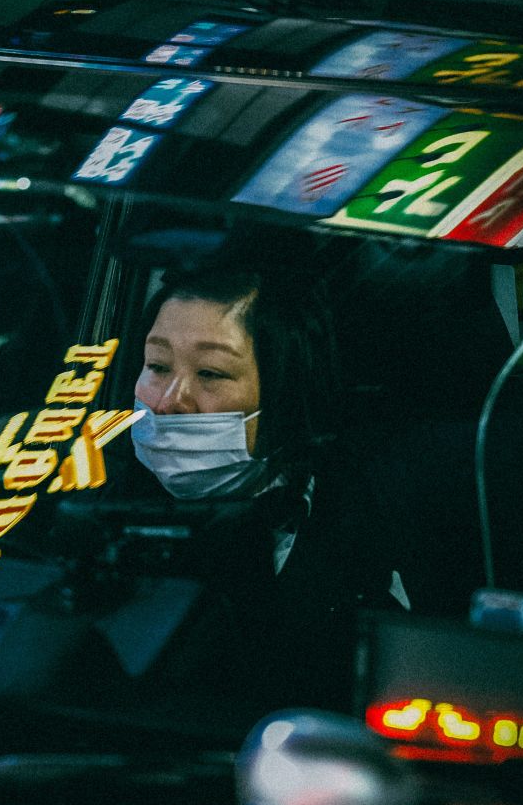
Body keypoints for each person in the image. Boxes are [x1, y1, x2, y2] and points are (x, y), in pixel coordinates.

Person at [123, 257, 484, 722]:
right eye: (157, 366)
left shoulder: (373, 526)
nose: (171, 401)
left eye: (211, 374)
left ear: (288, 391)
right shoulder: (95, 501)